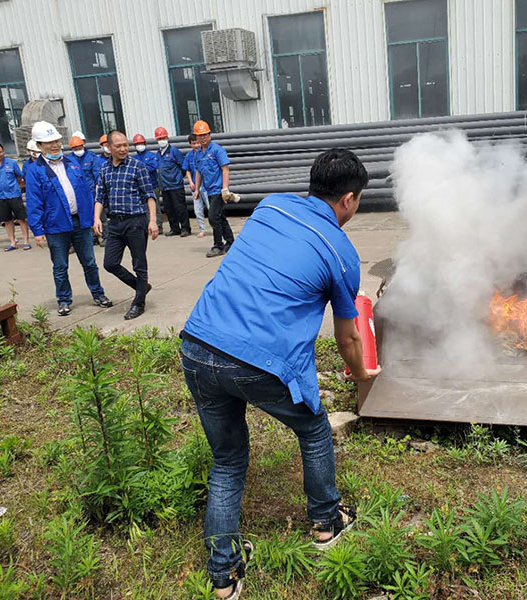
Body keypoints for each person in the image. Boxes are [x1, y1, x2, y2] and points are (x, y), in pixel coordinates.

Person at [180, 149, 381, 598]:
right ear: (349, 199)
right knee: (313, 431)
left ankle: (223, 574)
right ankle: (327, 521)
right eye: (359, 199)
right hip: (257, 362)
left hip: (198, 343)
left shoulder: (270, 204)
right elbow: (348, 339)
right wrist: (362, 373)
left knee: (227, 461)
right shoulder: (341, 251)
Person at [25, 121, 112, 316]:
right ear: (39, 146)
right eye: (49, 143)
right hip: (56, 226)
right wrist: (38, 231)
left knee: (89, 262)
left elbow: (86, 194)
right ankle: (64, 300)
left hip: (80, 223)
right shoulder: (35, 171)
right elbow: (33, 202)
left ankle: (98, 294)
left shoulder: (71, 164)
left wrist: (93, 218)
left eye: (56, 141)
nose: (55, 145)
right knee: (60, 266)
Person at [94, 130, 159, 320]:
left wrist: (153, 220)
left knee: (139, 263)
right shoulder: (104, 169)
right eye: (118, 146)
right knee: (110, 263)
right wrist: (96, 218)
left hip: (136, 222)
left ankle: (139, 303)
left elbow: (150, 195)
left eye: (125, 145)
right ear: (109, 147)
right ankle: (141, 287)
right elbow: (100, 197)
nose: (123, 149)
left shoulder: (137, 166)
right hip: (115, 223)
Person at [192, 120, 238, 258]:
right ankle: (230, 241)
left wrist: (225, 189)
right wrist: (197, 189)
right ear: (196, 137)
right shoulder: (198, 154)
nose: (203, 137)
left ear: (209, 134)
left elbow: (225, 169)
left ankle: (218, 245)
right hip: (208, 190)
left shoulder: (217, 150)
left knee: (213, 217)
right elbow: (199, 172)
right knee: (220, 217)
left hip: (218, 190)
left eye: (205, 134)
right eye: (200, 135)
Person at [154, 126, 190, 237]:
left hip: (175, 186)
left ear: (167, 137)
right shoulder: (158, 154)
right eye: (159, 138)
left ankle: (185, 228)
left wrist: (177, 178)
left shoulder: (175, 152)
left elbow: (183, 167)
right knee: (169, 209)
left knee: (180, 208)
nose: (162, 140)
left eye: (163, 138)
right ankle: (174, 228)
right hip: (164, 187)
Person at [133, 134, 162, 233]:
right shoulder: (134, 158)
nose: (139, 145)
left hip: (153, 185)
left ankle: (158, 226)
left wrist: (141, 168)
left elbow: (153, 167)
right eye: (137, 144)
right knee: (144, 208)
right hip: (140, 187)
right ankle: (147, 226)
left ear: (145, 143)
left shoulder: (151, 156)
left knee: (155, 206)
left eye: (141, 143)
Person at [184, 134, 210, 238]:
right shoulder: (189, 156)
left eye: (198, 143)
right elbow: (187, 170)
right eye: (194, 143)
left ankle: (217, 227)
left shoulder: (206, 153)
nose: (197, 145)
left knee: (211, 208)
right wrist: (190, 182)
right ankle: (202, 229)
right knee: (197, 210)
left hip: (207, 186)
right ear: (190, 144)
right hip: (195, 188)